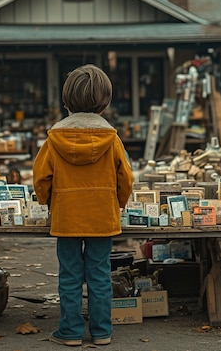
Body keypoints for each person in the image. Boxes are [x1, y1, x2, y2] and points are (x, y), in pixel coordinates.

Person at [33, 64, 134, 347]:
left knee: (69, 275)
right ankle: (102, 331)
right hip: (102, 216)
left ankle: (71, 332)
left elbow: (41, 178)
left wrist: (45, 201)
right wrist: (120, 203)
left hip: (66, 216)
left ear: (66, 102)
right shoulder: (112, 139)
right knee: (100, 274)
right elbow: (125, 178)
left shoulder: (54, 139)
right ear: (105, 102)